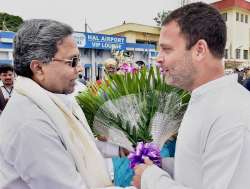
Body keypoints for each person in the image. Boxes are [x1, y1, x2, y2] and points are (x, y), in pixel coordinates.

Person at [0, 19, 131, 189]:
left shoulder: (55, 99)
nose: (80, 69)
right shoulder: (30, 123)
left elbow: (78, 146)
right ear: (39, 68)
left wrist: (119, 150)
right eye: (73, 61)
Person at [132, 2, 250, 189]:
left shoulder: (232, 114)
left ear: (199, 50)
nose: (158, 58)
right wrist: (162, 165)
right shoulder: (205, 101)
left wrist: (150, 178)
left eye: (167, 49)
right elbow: (198, 171)